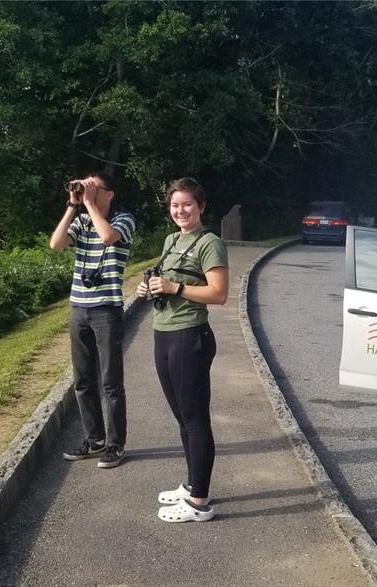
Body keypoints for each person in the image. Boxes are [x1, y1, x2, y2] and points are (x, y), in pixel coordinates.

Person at [136, 177, 229, 523]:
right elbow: (167, 279)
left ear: (201, 206)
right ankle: (192, 486)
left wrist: (175, 286)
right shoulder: (171, 239)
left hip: (190, 337)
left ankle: (200, 503)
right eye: (175, 205)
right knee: (182, 417)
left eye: (188, 204)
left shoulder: (210, 243)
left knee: (195, 418)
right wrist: (151, 286)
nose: (181, 211)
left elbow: (219, 294)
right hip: (164, 333)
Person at [49, 171, 135, 469]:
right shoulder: (82, 219)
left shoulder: (124, 219)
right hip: (79, 309)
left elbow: (108, 236)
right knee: (83, 380)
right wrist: (73, 205)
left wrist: (89, 204)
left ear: (109, 193)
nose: (86, 190)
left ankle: (115, 444)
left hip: (107, 310)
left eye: (93, 187)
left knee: (111, 381)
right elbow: (56, 244)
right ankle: (94, 439)